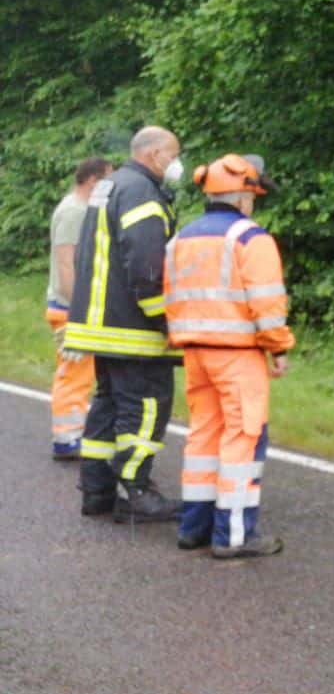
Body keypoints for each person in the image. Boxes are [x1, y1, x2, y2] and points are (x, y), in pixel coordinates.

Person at [164, 153, 294, 559]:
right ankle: (234, 536)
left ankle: (193, 528)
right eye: (253, 195)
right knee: (243, 438)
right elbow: (267, 305)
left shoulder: (181, 238)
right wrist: (279, 346)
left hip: (195, 354)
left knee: (203, 437)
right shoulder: (250, 238)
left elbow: (170, 297)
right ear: (242, 197)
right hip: (238, 356)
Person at [63, 126, 186, 522]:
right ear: (152, 154)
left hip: (99, 323)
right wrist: (166, 320)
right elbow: (146, 264)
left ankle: (97, 492)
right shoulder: (143, 193)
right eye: (173, 153)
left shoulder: (111, 186)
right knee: (146, 408)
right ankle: (135, 492)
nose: (176, 162)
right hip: (132, 328)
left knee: (108, 407)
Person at [45, 156, 113, 460]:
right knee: (73, 373)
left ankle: (74, 431)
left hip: (73, 308)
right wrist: (79, 309)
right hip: (68, 309)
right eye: (108, 179)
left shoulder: (82, 209)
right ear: (92, 180)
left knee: (81, 373)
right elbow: (65, 263)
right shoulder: (73, 212)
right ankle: (66, 437)